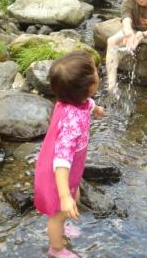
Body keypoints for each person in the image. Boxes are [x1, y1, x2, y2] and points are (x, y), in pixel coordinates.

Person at [34, 50, 104, 258]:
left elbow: (84, 104)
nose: (97, 72)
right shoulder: (72, 122)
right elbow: (62, 160)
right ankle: (56, 249)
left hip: (70, 166)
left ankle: (63, 224)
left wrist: (95, 108)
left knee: (74, 195)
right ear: (91, 86)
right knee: (58, 213)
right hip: (58, 172)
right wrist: (64, 196)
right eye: (95, 70)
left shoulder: (71, 100)